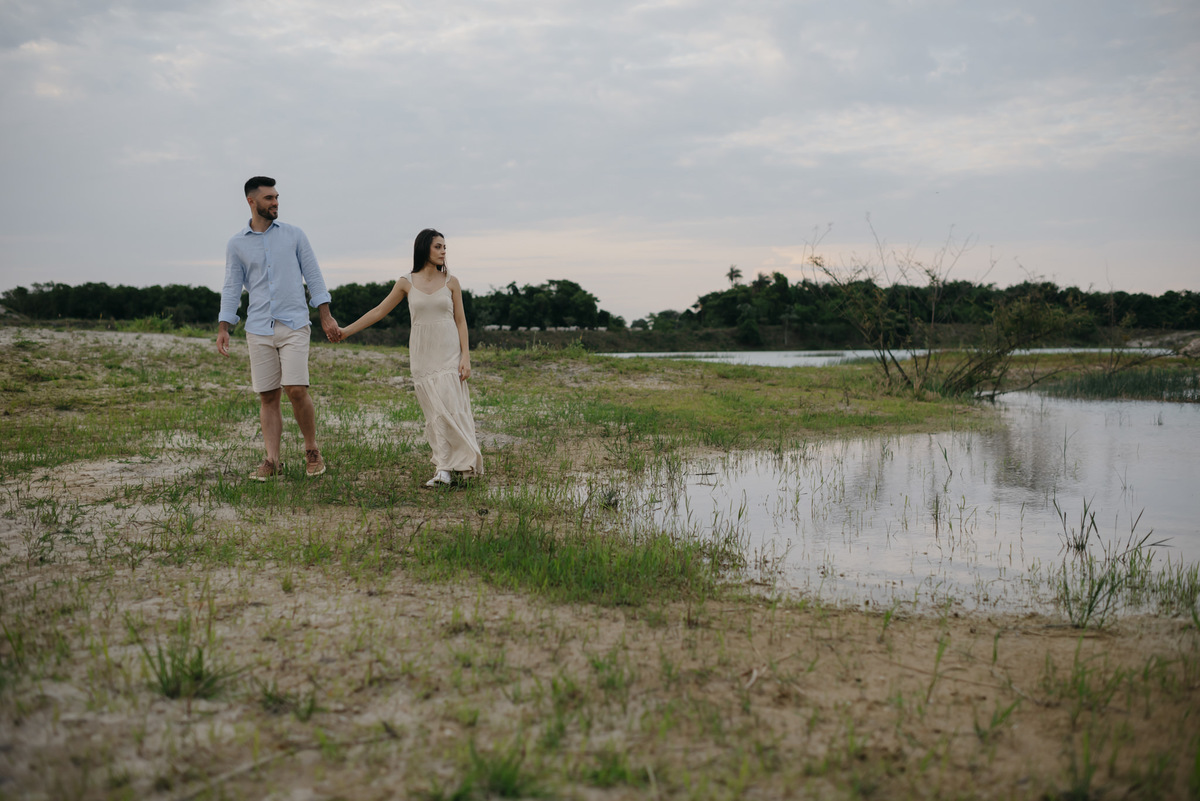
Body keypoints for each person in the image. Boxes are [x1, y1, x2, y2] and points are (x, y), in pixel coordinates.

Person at [333, 229, 483, 486]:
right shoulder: (406, 282)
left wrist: (466, 356)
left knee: (450, 407)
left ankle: (460, 463)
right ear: (425, 248)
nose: (444, 251)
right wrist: (346, 331)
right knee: (435, 411)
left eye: (445, 247)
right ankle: (444, 469)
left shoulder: (451, 282)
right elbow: (379, 310)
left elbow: (461, 321)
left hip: (449, 352)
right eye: (438, 246)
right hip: (423, 353)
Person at [217, 176, 339, 481]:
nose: (275, 203)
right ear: (251, 201)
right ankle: (272, 460)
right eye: (269, 198)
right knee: (268, 396)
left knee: (296, 389)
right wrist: (224, 326)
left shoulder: (295, 235)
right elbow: (232, 286)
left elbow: (314, 275)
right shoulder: (237, 243)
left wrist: (325, 315)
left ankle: (311, 450)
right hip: (258, 328)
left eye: (276, 197)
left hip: (295, 323)